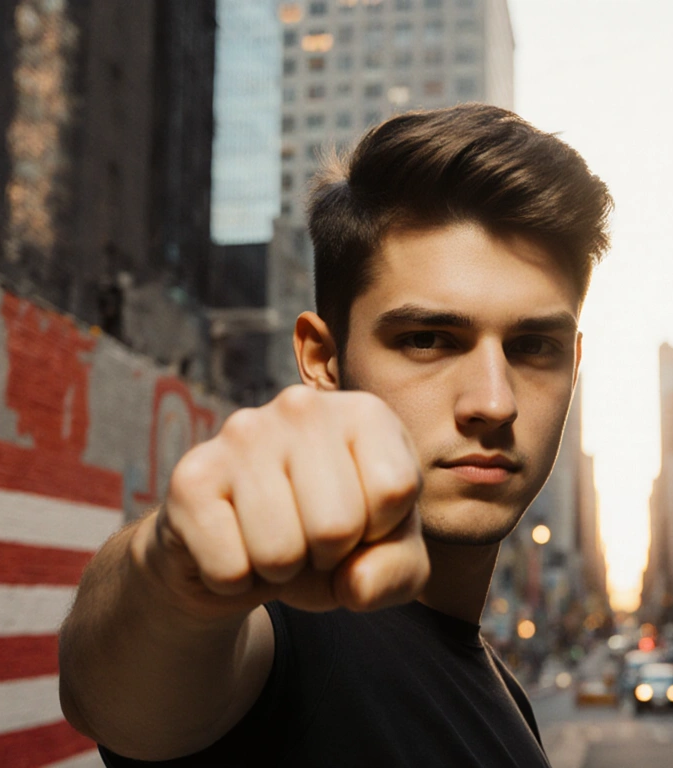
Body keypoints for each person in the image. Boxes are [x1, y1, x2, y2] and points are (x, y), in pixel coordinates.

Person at [57, 103, 613, 767]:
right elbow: (118, 694)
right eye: (428, 339)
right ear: (322, 359)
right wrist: (176, 576)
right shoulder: (280, 636)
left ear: (574, 366)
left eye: (533, 347)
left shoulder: (504, 694)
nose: (493, 402)